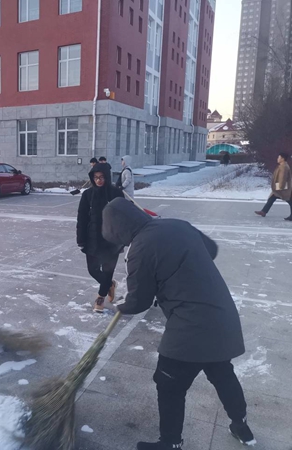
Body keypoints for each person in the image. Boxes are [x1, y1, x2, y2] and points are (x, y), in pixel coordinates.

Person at [102, 198, 256, 450]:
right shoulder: (177, 224)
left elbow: (139, 301)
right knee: (222, 373)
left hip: (191, 326)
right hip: (221, 312)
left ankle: (170, 443)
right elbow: (211, 249)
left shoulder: (140, 247)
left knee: (169, 384)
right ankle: (241, 426)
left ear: (118, 230)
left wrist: (121, 305)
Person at [76, 163, 123, 313]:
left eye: (102, 177)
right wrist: (81, 239)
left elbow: (123, 217)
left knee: (108, 270)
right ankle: (109, 284)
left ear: (107, 177)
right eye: (96, 177)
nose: (98, 180)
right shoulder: (88, 195)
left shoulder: (116, 194)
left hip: (111, 241)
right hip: (93, 238)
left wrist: (123, 238)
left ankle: (101, 297)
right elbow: (82, 218)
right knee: (93, 270)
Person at [255, 152, 292, 221]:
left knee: (289, 200)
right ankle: (263, 211)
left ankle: (264, 211)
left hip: (282, 188)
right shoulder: (282, 166)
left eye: (279, 157)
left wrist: (280, 187)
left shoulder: (284, 167)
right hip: (282, 187)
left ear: (282, 159)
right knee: (272, 198)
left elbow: (282, 178)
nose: (277, 159)